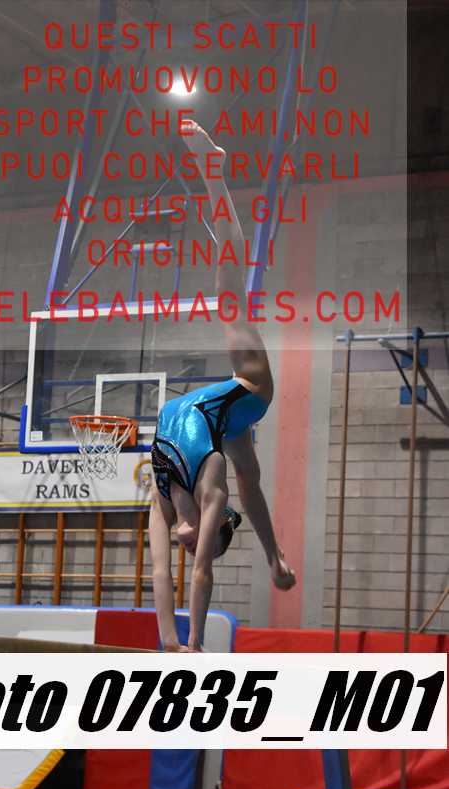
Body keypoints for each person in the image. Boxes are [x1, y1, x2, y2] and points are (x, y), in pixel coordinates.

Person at [149, 121, 296, 654]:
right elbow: (201, 576)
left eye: (190, 547)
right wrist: (197, 642)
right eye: (198, 546)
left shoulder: (161, 495)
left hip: (228, 419)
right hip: (251, 390)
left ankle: (274, 558)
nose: (188, 549)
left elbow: (161, 572)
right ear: (213, 530)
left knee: (251, 475)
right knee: (229, 294)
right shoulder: (212, 490)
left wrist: (171, 644)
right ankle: (214, 171)